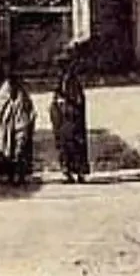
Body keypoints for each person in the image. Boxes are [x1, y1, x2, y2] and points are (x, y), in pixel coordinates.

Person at [49, 48, 90, 183]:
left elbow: (77, 99)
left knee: (73, 144)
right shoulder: (64, 79)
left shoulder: (71, 80)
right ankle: (71, 172)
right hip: (66, 118)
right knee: (67, 145)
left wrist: (64, 103)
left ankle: (77, 172)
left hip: (71, 118)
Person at [0, 71, 36, 185]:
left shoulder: (22, 93)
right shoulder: (3, 93)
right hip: (7, 126)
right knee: (6, 150)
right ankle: (9, 175)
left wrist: (29, 120)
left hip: (20, 125)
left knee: (20, 150)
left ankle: (20, 175)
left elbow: (29, 108)